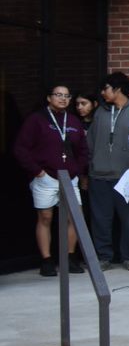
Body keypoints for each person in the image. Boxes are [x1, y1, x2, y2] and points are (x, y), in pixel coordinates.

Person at [14, 84, 90, 276]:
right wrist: (37, 171)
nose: (63, 99)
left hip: (69, 177)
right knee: (45, 217)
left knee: (74, 217)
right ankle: (46, 260)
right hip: (46, 177)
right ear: (49, 98)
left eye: (67, 96)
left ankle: (70, 258)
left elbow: (83, 150)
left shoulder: (73, 120)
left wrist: (78, 170)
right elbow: (21, 149)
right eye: (58, 95)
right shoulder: (36, 120)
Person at [87, 72, 129, 272]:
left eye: (106, 88)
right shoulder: (100, 111)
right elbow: (90, 143)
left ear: (117, 89)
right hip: (99, 175)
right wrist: (89, 167)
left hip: (127, 176)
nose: (103, 93)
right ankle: (103, 257)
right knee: (101, 219)